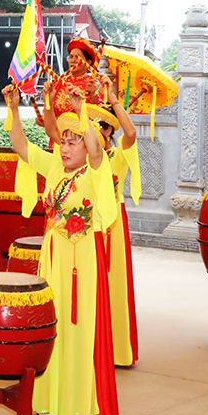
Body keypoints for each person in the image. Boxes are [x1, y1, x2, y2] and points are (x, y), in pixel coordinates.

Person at [4, 82, 119, 415]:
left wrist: (83, 111)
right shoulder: (56, 168)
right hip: (53, 260)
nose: (65, 147)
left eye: (73, 142)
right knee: (53, 327)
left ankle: (80, 406)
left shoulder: (96, 170)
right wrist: (14, 109)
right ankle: (51, 400)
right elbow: (21, 147)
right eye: (64, 141)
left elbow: (96, 150)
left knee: (80, 327)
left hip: (82, 261)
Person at [87, 76, 142, 367]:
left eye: (98, 124)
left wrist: (114, 101)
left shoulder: (117, 156)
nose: (91, 130)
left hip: (112, 225)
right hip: (87, 222)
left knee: (113, 283)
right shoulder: (83, 157)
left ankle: (115, 350)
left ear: (109, 129)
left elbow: (131, 132)